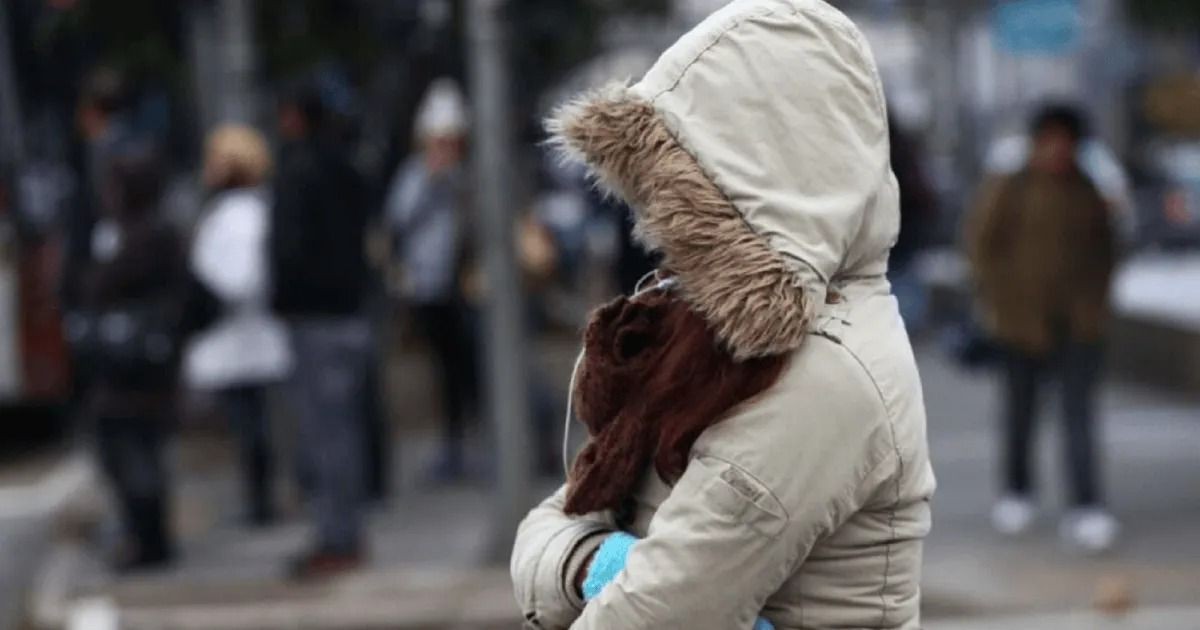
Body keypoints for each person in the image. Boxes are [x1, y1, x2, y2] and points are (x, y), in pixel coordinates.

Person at [511, 2, 936, 628]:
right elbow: (549, 526)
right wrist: (597, 564)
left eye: (691, 188)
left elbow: (657, 613)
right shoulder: (707, 337)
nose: (660, 225)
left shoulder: (824, 373)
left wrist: (596, 565)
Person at [966, 104, 1119, 553]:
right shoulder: (1009, 187)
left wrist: (1095, 307)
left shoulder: (1088, 190)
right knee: (1020, 414)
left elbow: (1107, 252)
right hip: (1019, 324)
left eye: (1065, 140)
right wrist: (999, 302)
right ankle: (1017, 492)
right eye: (1049, 139)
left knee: (1079, 418)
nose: (1057, 149)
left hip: (1078, 325)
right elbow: (980, 245)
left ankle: (1087, 505)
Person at [271, 83, 372, 578]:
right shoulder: (348, 167)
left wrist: (283, 295)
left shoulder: (298, 173)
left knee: (325, 436)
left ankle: (337, 536)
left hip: (314, 318)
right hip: (350, 312)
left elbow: (289, 250)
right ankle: (343, 531)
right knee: (344, 432)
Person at [75, 148, 183, 571]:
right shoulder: (138, 232)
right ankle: (145, 536)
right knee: (137, 454)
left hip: (135, 366)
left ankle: (149, 540)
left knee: (134, 456)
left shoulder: (144, 236)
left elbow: (104, 283)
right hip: (138, 364)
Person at [184, 125, 292, 526]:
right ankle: (260, 500)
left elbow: (241, 277)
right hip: (244, 336)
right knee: (251, 425)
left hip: (243, 335)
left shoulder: (241, 215)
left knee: (253, 428)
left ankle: (261, 504)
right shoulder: (245, 210)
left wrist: (208, 294)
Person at [384, 78, 480, 480]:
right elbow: (398, 219)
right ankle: (452, 447)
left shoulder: (468, 176)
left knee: (470, 370)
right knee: (443, 372)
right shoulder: (415, 176)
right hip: (429, 288)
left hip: (466, 288)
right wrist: (430, 181)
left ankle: (473, 445)